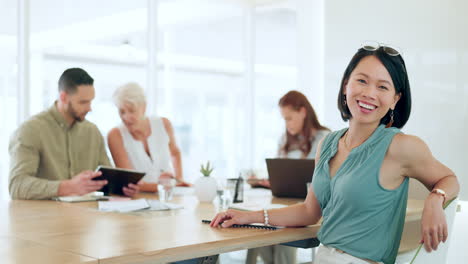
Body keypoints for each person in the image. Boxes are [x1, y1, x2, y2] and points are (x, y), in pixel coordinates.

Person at [211, 43, 460, 264]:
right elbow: (310, 211)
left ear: (395, 99)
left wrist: (435, 199)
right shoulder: (328, 143)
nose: (369, 93)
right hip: (324, 256)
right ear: (345, 85)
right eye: (361, 81)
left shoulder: (400, 146)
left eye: (382, 87)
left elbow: (449, 179)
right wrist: (248, 216)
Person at [9, 68, 139, 200]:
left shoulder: (92, 132)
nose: (89, 108)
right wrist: (67, 187)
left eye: (90, 101)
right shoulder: (31, 130)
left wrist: (121, 188)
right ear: (63, 97)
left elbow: (105, 180)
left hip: (85, 215)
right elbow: (17, 185)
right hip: (43, 217)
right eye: (83, 102)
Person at [246, 90, 330, 264]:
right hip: (282, 199)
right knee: (256, 228)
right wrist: (271, 182)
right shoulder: (285, 139)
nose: (287, 124)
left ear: (303, 112)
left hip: (309, 205)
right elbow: (282, 172)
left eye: (289, 118)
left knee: (282, 229)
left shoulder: (325, 138)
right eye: (284, 119)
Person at [107, 82, 190, 193]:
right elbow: (131, 182)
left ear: (144, 107)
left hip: (169, 196)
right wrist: (171, 185)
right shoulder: (115, 135)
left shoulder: (164, 124)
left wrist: (179, 179)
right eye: (122, 111)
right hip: (139, 199)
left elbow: (175, 153)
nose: (125, 117)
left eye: (131, 110)